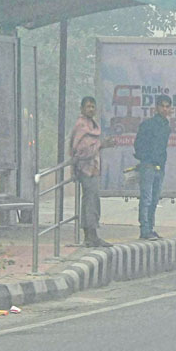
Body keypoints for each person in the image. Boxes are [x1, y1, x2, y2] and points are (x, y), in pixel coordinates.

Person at [70, 96, 115, 247]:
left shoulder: (92, 124)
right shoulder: (82, 126)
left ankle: (91, 235)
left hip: (93, 168)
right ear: (82, 108)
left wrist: (103, 144)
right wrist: (101, 144)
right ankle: (91, 235)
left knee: (92, 200)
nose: (91, 109)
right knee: (90, 201)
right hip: (85, 169)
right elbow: (82, 151)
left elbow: (93, 146)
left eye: (93, 106)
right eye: (88, 106)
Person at [133, 94, 172, 240]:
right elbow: (138, 144)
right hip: (148, 165)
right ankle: (144, 229)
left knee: (155, 199)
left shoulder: (166, 127)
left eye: (167, 106)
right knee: (146, 198)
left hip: (159, 167)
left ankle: (151, 228)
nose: (164, 109)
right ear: (156, 107)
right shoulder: (148, 124)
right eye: (162, 106)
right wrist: (146, 158)